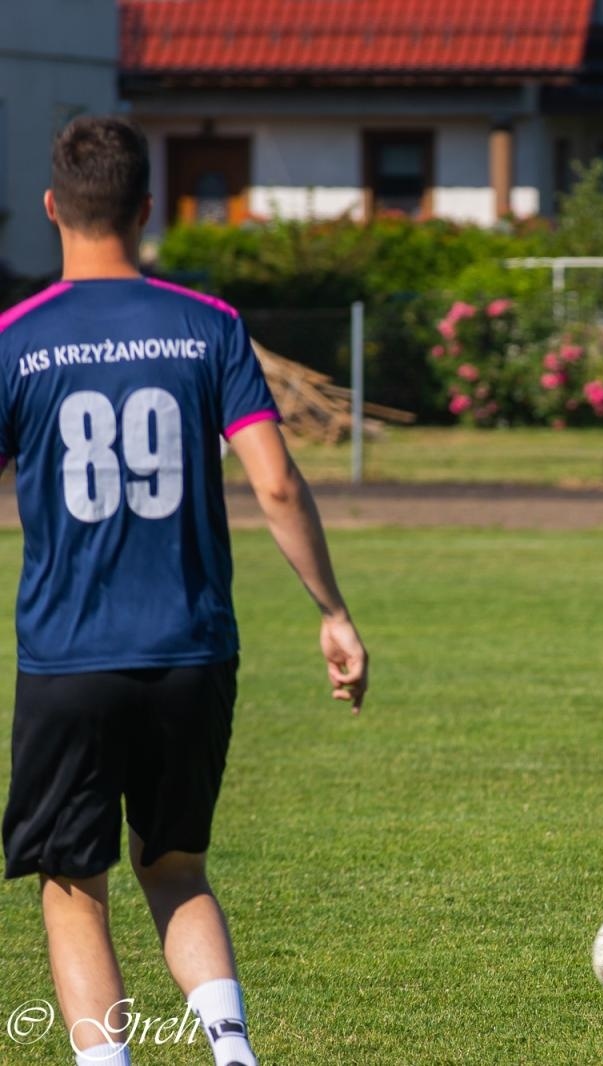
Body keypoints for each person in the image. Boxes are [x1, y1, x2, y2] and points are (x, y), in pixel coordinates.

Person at [0, 116, 368, 1066]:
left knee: (73, 882)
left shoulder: (15, 339)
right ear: (147, 210)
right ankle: (233, 1053)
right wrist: (332, 610)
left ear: (53, 210)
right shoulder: (209, 325)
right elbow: (277, 481)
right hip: (193, 650)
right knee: (175, 868)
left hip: (68, 659)